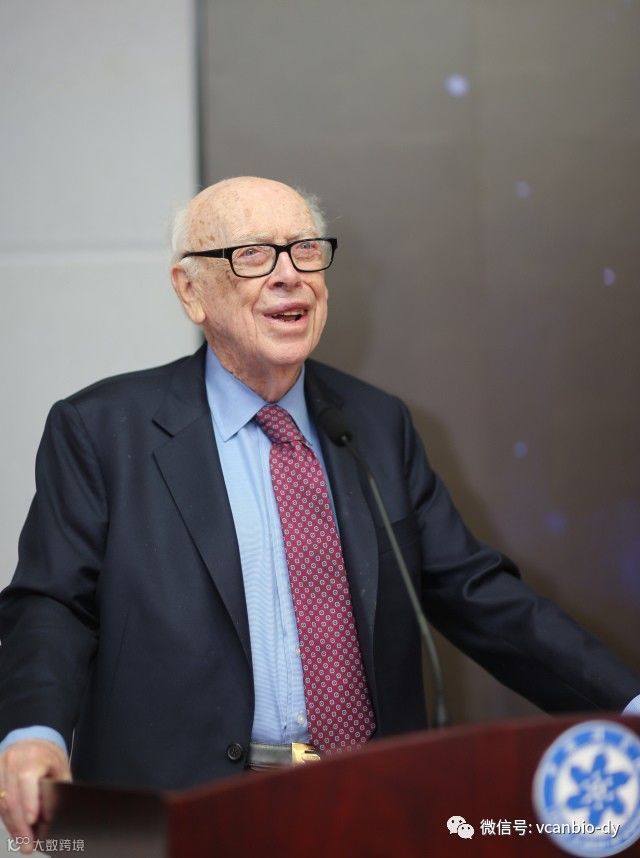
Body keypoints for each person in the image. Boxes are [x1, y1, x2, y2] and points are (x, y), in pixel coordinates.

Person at [1, 176, 639, 851]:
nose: (290, 276)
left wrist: (627, 705)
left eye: (305, 249)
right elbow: (52, 603)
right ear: (190, 291)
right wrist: (34, 732)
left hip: (369, 803)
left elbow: (477, 592)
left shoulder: (376, 424)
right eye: (253, 254)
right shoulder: (102, 430)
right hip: (180, 811)